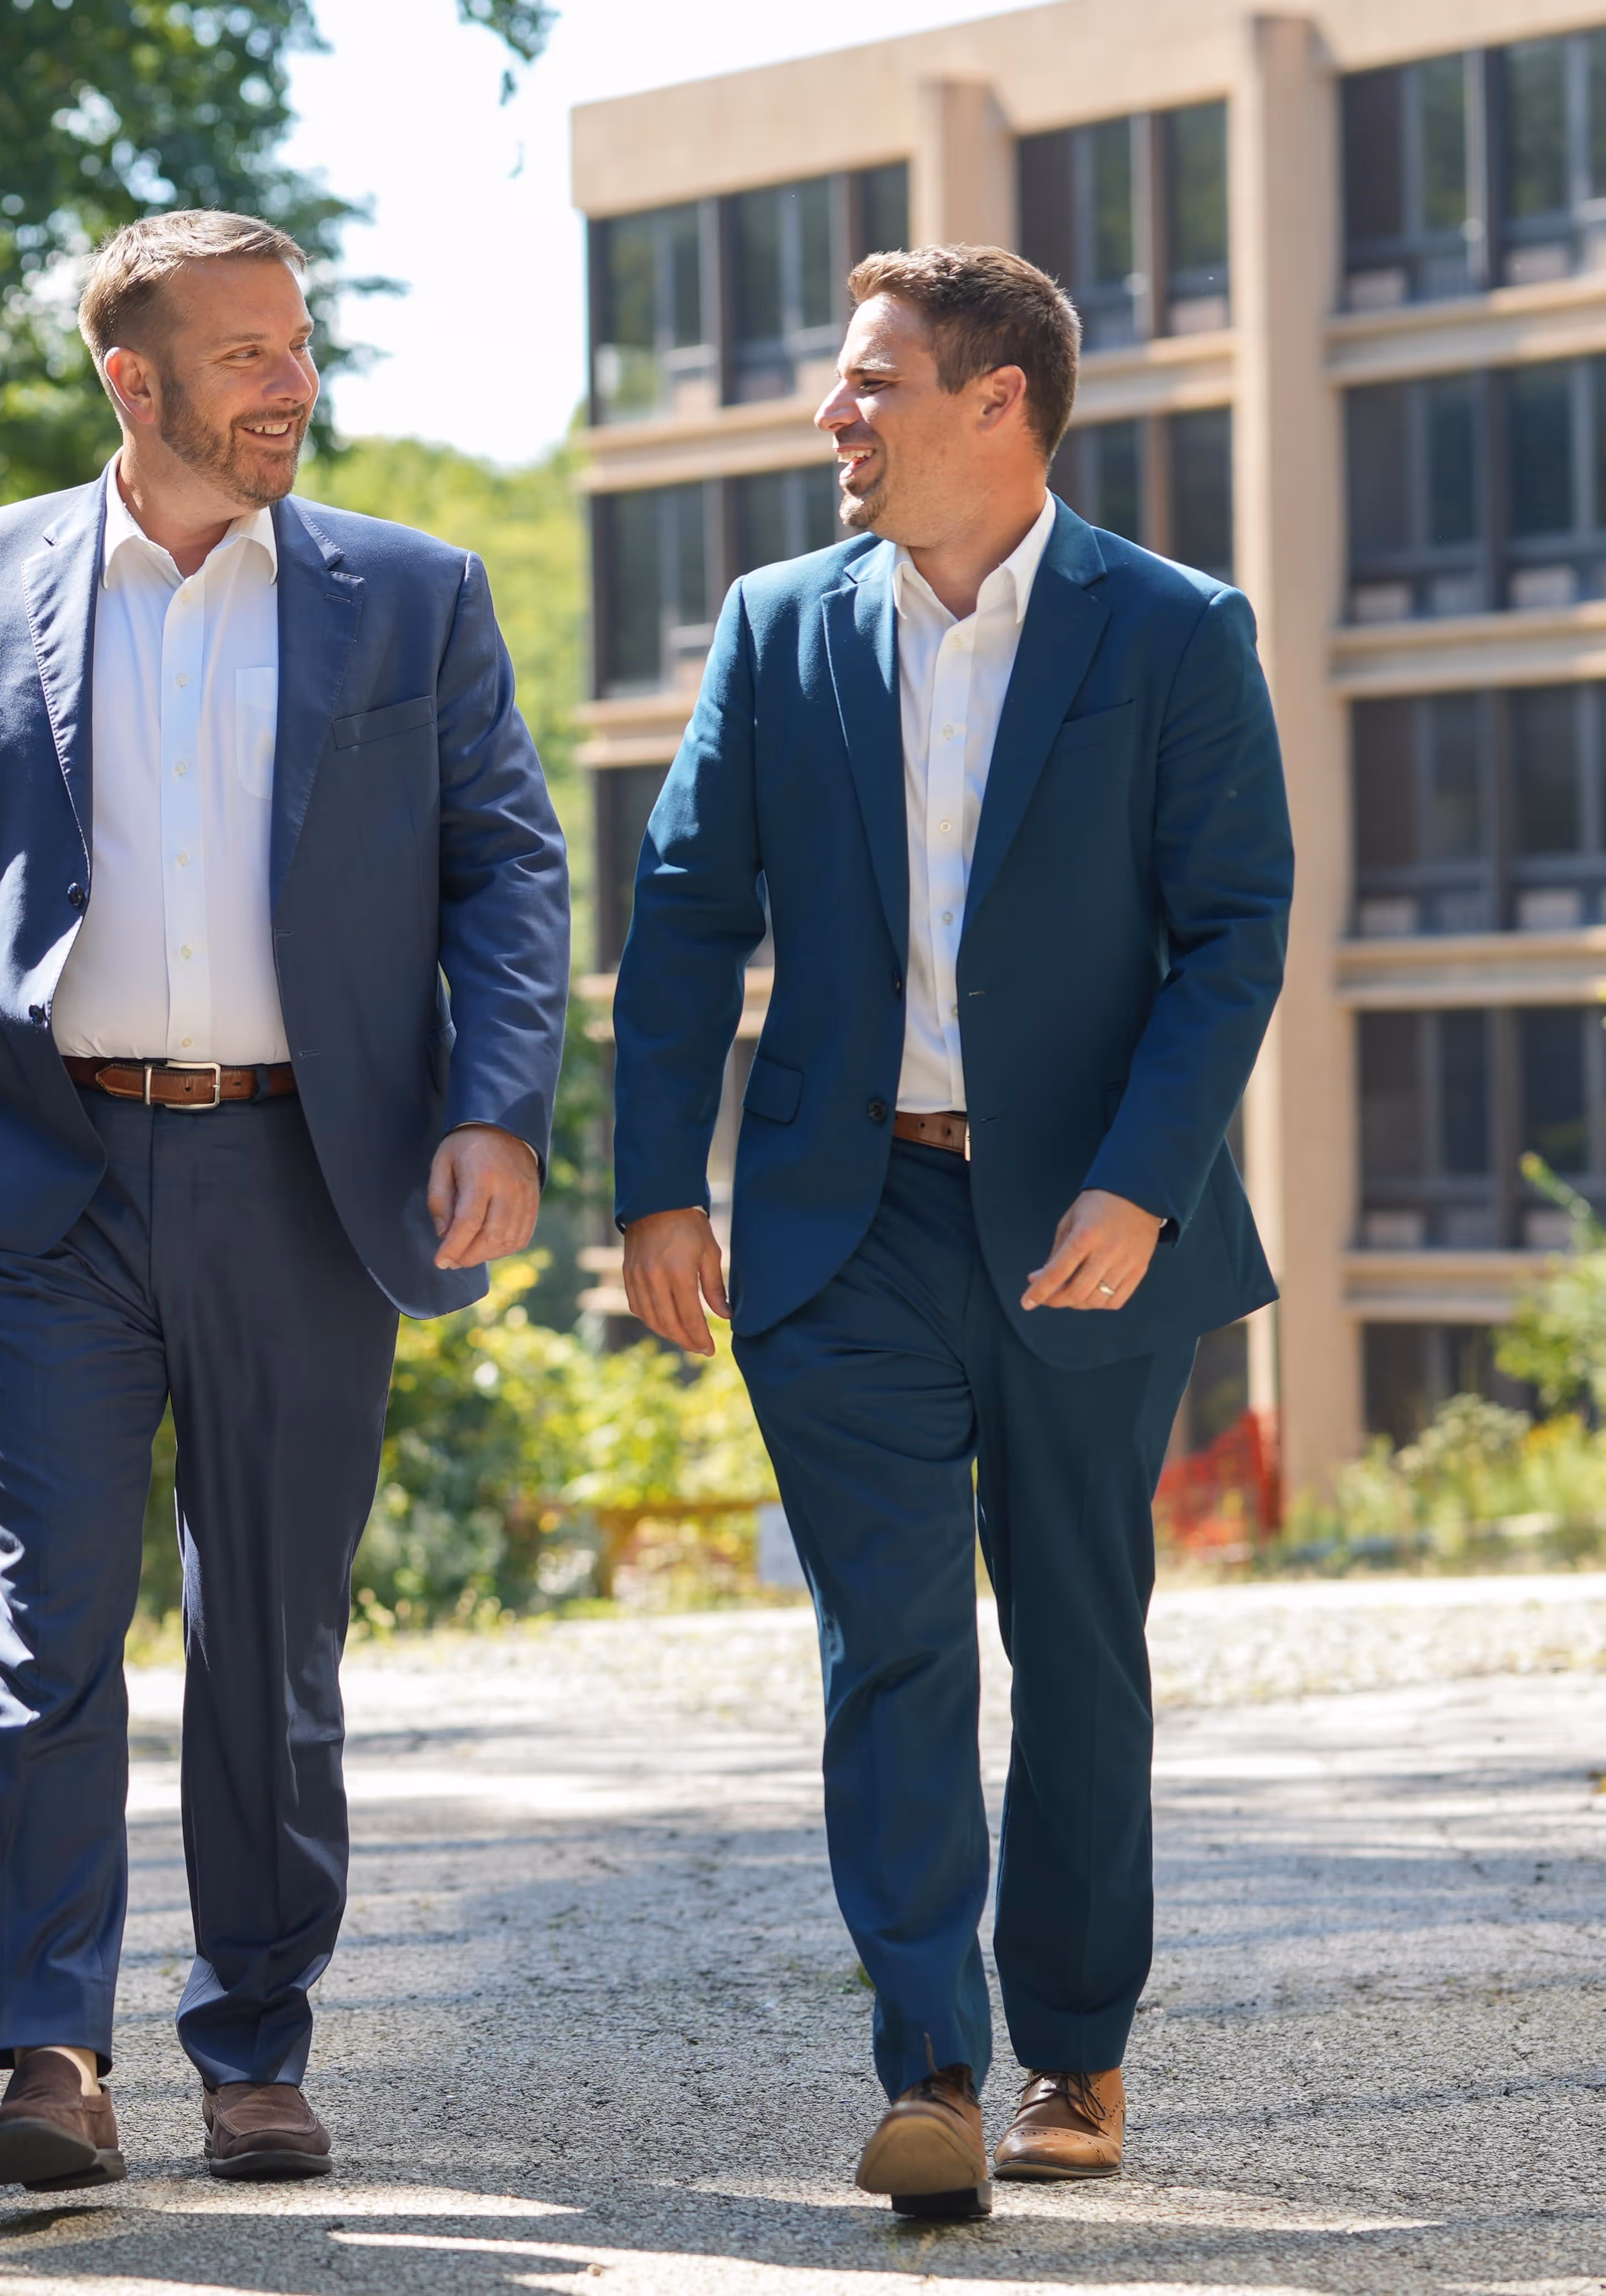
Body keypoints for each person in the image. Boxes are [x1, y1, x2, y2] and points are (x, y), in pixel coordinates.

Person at [0, 210, 570, 2187]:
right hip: (38, 1177)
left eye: (298, 347)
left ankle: (253, 2038)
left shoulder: (410, 596)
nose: (291, 386)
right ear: (129, 382)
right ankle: (48, 2054)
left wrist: (495, 1107)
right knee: (44, 1623)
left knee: (270, 1643)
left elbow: (506, 868)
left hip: (305, 1175)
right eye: (245, 355)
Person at [612, 246, 1290, 2219]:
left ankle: (1071, 2060)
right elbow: (681, 917)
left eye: (871, 382)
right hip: (841, 1223)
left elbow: (1232, 927)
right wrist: (659, 1182)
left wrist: (1141, 1178)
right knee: (887, 1644)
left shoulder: (1170, 631)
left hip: (1091, 1226)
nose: (835, 413)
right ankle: (923, 2064)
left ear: (996, 401)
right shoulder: (773, 625)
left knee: (1077, 1643)